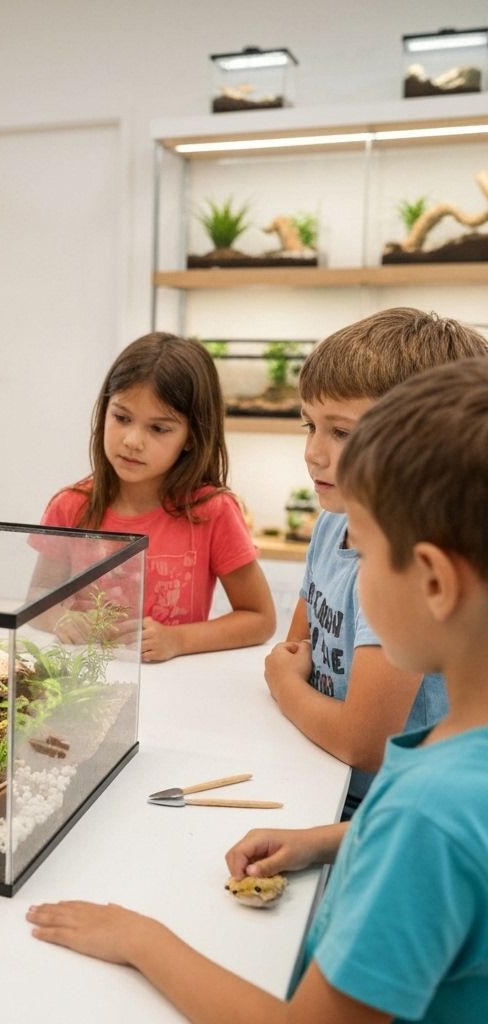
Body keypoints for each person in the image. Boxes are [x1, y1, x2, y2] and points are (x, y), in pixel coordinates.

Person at [27, 358, 488, 1022]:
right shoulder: (453, 766)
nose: (347, 560)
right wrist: (329, 840)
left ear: (435, 582)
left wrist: (140, 939)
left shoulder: (426, 816)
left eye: (361, 547)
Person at [263, 307, 488, 816]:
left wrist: (283, 684)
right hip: (322, 776)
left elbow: (362, 742)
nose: (313, 452)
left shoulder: (399, 571)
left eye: (342, 433)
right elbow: (300, 645)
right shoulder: (331, 523)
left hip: (377, 804)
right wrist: (291, 677)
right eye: (310, 425)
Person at [37, 332, 275, 662]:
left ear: (191, 437)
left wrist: (177, 640)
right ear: (105, 411)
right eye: (122, 418)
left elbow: (260, 618)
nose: (132, 441)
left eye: (159, 428)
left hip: (176, 684)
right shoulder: (70, 505)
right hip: (83, 680)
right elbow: (38, 600)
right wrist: (61, 619)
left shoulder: (213, 511)